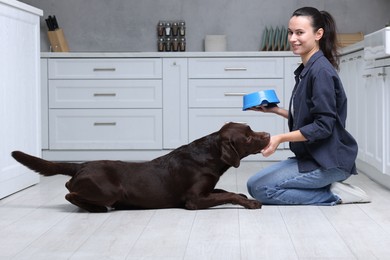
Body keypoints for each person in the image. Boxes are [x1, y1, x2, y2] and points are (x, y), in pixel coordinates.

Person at [246, 7, 370, 205]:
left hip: (328, 162)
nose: (293, 39)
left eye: (300, 33)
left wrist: (280, 138)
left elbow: (323, 126)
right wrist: (275, 110)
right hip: (311, 157)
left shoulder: (320, 72)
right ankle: (326, 188)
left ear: (318, 34)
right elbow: (309, 117)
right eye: (290, 32)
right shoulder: (308, 69)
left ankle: (334, 195)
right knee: (253, 184)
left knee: (261, 188)